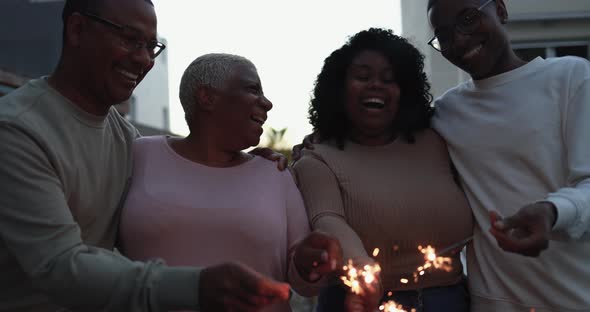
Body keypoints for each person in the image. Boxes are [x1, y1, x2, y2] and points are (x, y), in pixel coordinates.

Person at [0, 1, 296, 311]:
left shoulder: (126, 139)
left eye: (151, 47)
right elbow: (59, 265)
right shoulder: (18, 130)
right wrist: (197, 287)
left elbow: (180, 176)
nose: (143, 59)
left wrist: (245, 162)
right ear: (77, 29)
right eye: (129, 40)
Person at [118, 53, 343, 312]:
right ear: (207, 98)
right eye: (252, 89)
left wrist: (310, 264)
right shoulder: (138, 154)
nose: (267, 103)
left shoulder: (274, 173)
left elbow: (304, 281)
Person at [291, 28, 473, 312]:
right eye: (362, 77)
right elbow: (328, 221)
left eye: (390, 80)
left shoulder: (437, 141)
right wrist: (364, 273)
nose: (376, 85)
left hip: (452, 301)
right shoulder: (317, 157)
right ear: (339, 87)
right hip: (359, 302)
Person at [427, 0, 590, 311]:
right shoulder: (444, 113)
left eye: (469, 19)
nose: (459, 39)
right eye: (445, 35)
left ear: (500, 10)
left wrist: (552, 211)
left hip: (575, 298)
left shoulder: (571, 76)